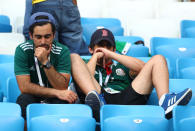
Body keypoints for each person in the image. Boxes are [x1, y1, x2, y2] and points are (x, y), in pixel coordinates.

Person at [70, 28, 192, 121]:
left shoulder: (122, 64)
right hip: (100, 98)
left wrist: (111, 55)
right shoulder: (84, 64)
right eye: (100, 46)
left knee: (158, 59)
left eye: (108, 46)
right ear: (91, 49)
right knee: (74, 57)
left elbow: (143, 68)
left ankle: (165, 101)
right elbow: (86, 77)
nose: (104, 49)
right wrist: (96, 56)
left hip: (126, 97)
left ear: (113, 49)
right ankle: (98, 102)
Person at [15, 12, 78, 119]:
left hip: (56, 97)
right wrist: (56, 92)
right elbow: (24, 87)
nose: (43, 42)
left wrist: (45, 62)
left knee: (64, 101)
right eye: (38, 37)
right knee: (23, 99)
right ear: (30, 36)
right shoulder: (23, 50)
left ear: (54, 35)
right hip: (35, 96)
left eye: (47, 36)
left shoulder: (62, 51)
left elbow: (62, 86)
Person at [23, 0, 89, 55]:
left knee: (50, 53)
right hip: (69, 3)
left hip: (43, 3)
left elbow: (27, 30)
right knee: (76, 54)